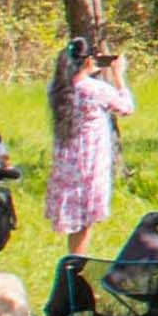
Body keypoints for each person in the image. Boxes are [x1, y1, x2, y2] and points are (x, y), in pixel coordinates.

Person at [46, 37, 134, 259]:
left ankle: (74, 259)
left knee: (75, 219)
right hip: (90, 160)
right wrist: (118, 76)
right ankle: (77, 266)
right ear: (87, 61)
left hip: (66, 160)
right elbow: (126, 108)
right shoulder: (94, 89)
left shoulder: (56, 89)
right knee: (85, 220)